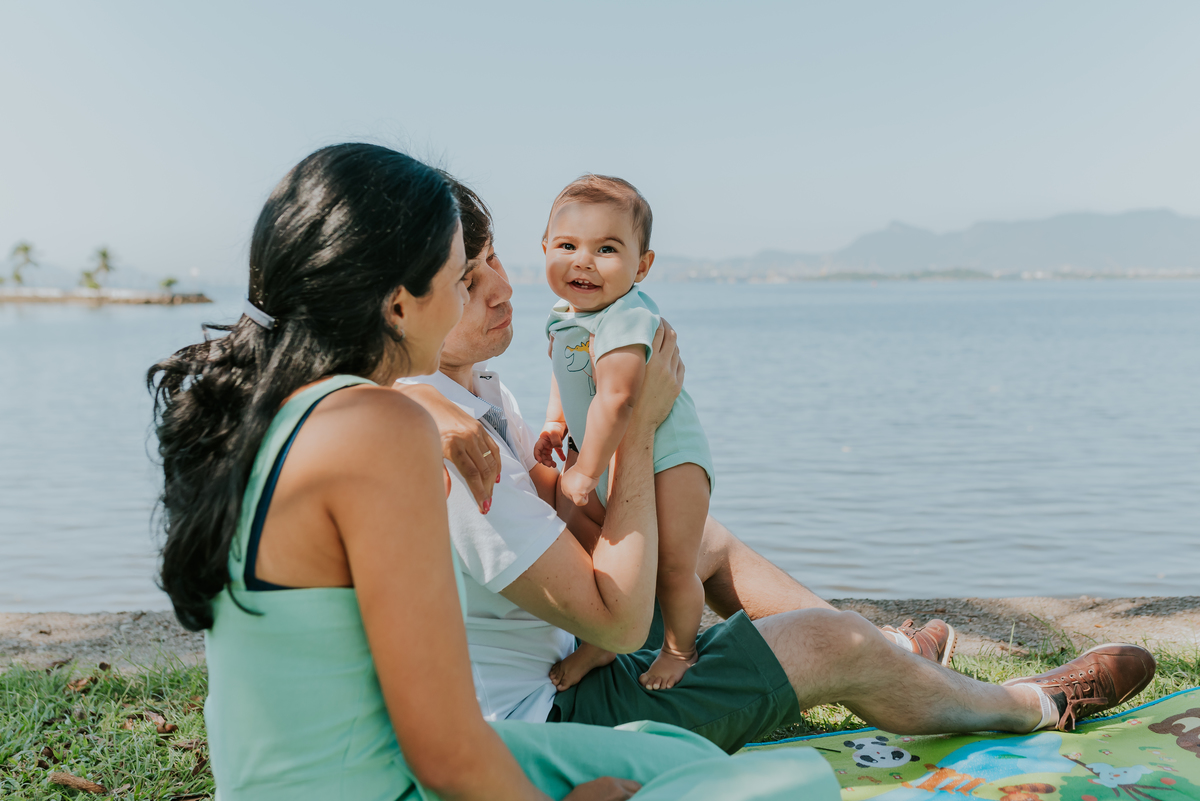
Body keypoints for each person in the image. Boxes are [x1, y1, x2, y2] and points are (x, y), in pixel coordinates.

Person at [148, 143, 844, 801]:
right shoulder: (383, 428)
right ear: (397, 304)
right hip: (389, 783)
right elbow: (445, 752)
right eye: (460, 277)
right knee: (791, 785)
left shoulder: (261, 410)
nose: (484, 293)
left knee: (684, 762)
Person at [398, 176, 1158, 757]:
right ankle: (1029, 702)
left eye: (494, 258)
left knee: (703, 540)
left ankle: (899, 660)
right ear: (399, 305)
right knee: (830, 640)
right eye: (469, 279)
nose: (500, 287)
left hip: (566, 649)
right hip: (553, 720)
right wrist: (639, 425)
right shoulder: (445, 443)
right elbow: (620, 616)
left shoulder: (468, 392)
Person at [535, 175, 713, 692]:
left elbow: (619, 399)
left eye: (606, 249)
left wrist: (585, 471)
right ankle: (605, 640)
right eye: (567, 245)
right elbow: (563, 369)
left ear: (641, 266)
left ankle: (681, 648)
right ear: (544, 249)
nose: (583, 261)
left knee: (674, 563)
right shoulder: (565, 317)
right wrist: (555, 421)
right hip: (615, 453)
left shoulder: (626, 318)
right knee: (610, 553)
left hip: (670, 457)